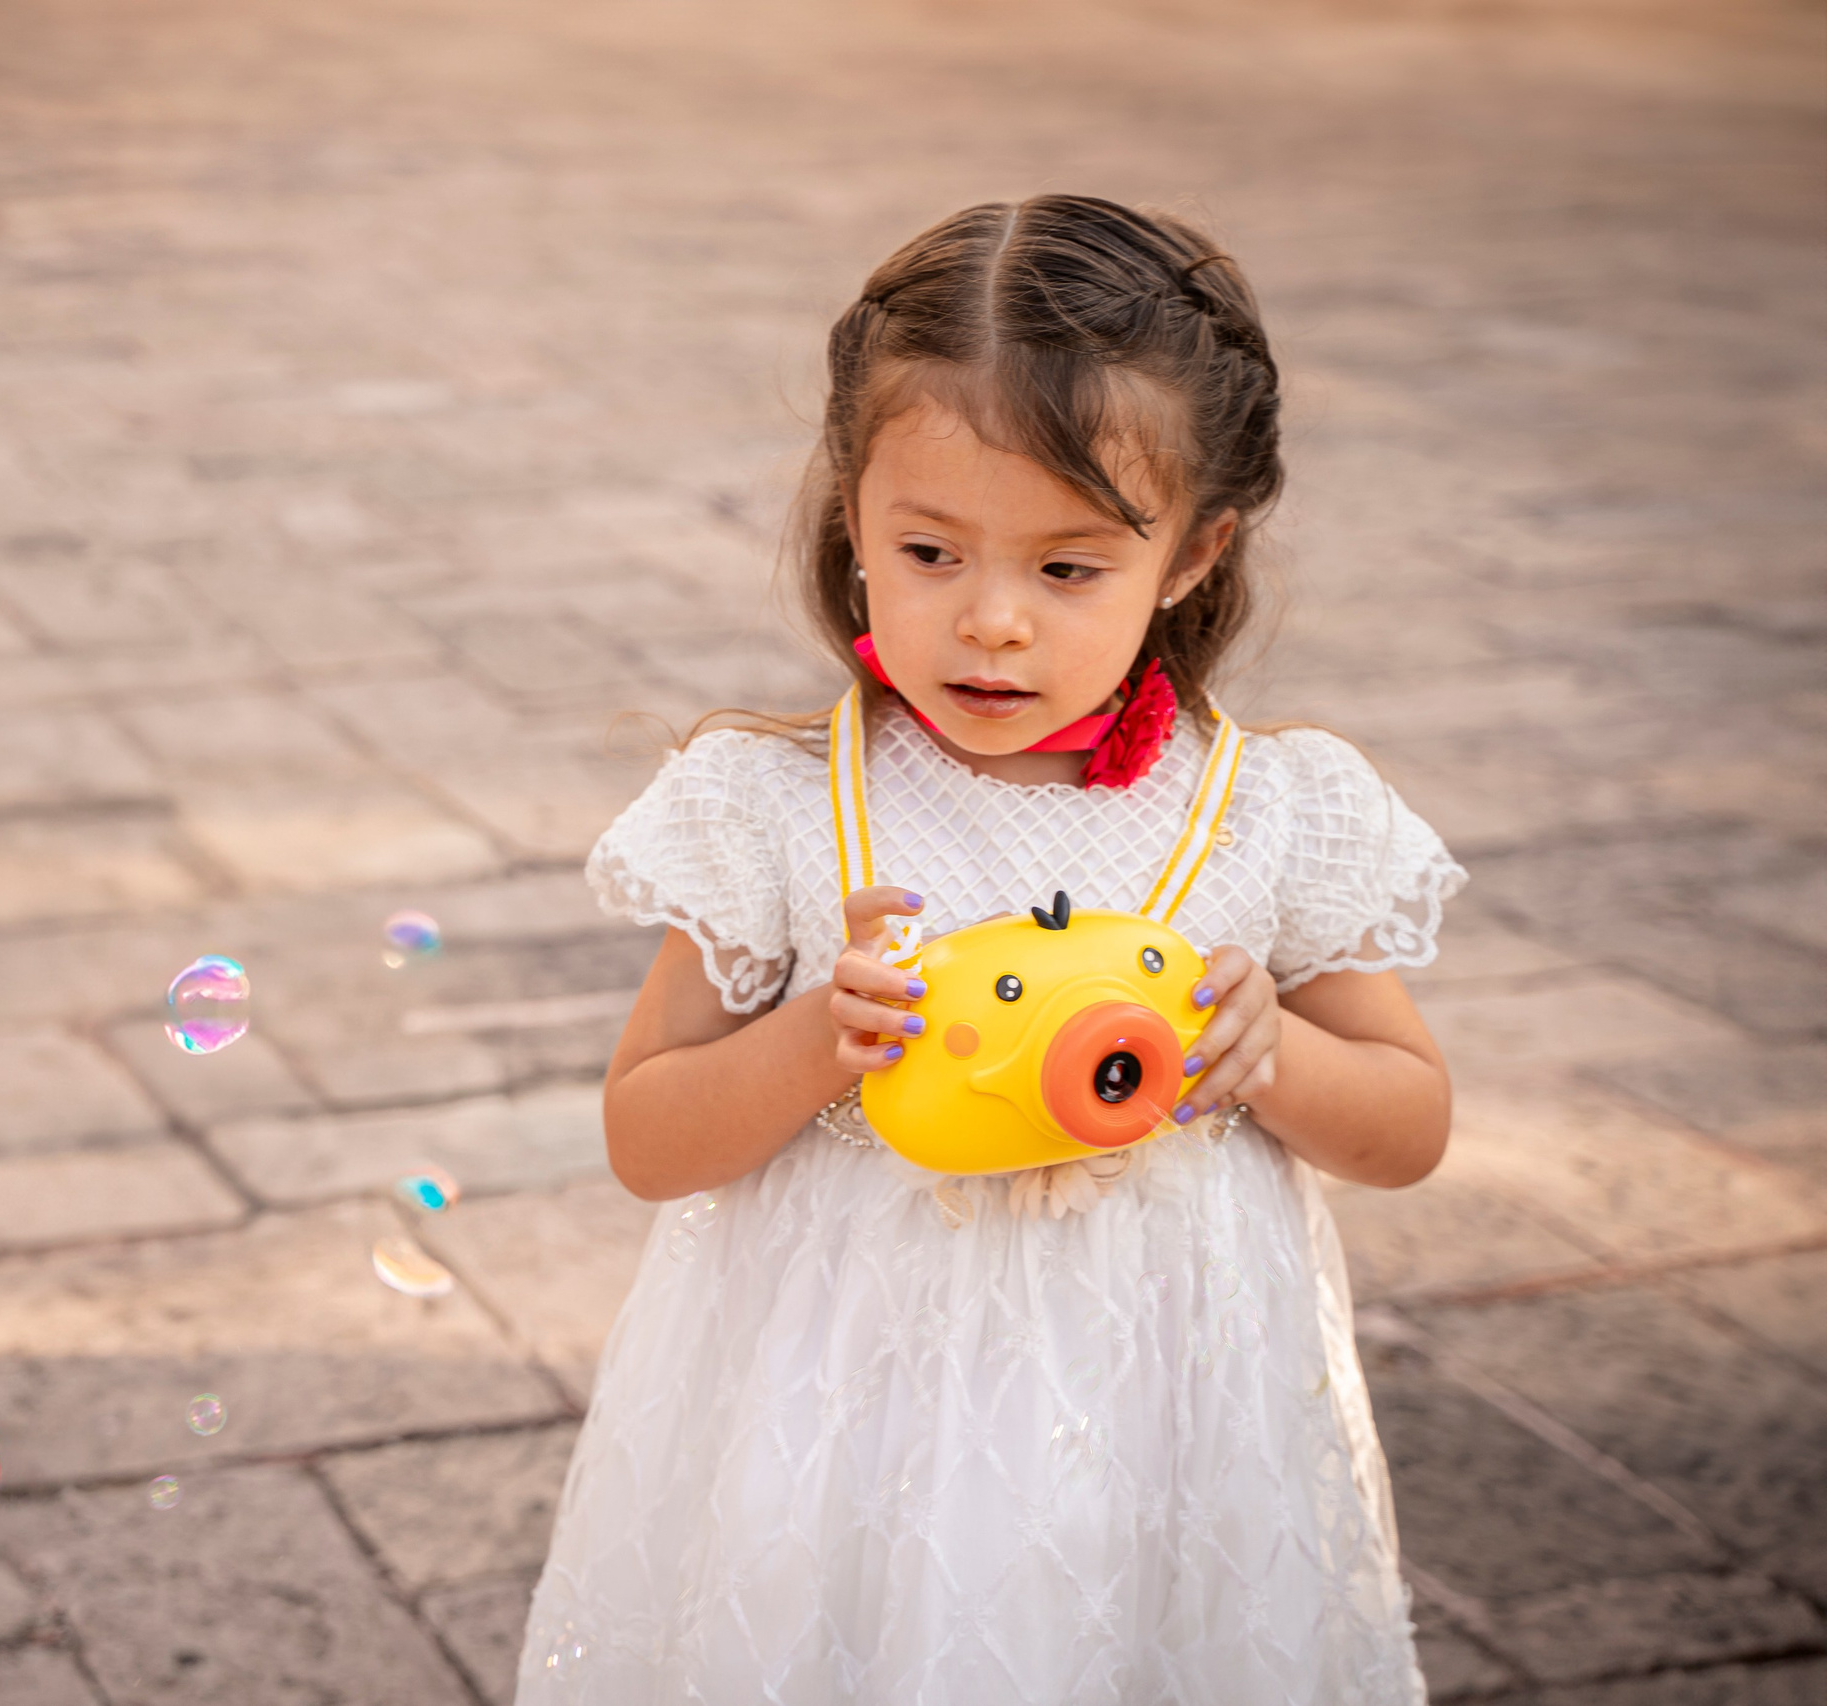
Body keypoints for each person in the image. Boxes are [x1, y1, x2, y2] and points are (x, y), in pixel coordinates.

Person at [518, 195, 1461, 1704]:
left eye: (1068, 569)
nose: (992, 622)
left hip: (1163, 1431)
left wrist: (1275, 1052)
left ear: (1199, 551)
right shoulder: (776, 808)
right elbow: (646, 1135)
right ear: (853, 517)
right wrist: (810, 1033)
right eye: (931, 550)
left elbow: (1408, 1121)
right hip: (839, 1438)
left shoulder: (1269, 812)